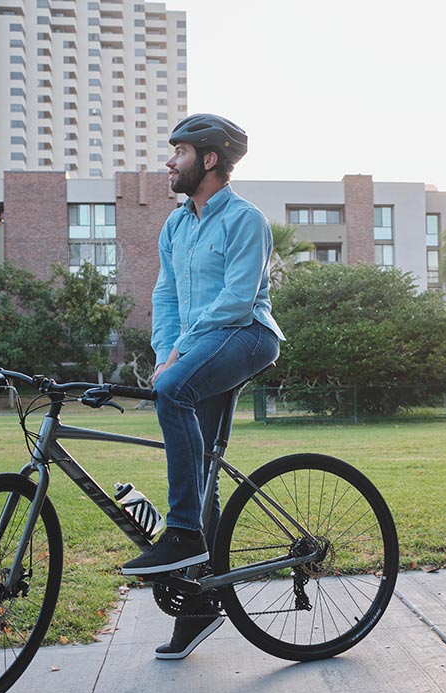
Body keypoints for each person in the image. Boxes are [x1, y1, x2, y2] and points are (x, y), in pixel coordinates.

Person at [120, 113, 283, 660]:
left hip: (248, 336)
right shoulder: (176, 225)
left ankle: (184, 532)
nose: (169, 162)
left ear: (209, 159)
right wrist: (167, 353)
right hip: (199, 345)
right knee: (203, 465)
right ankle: (198, 607)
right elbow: (165, 295)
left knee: (173, 393)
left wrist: (179, 360)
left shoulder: (245, 220)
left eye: (179, 153)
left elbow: (237, 302)